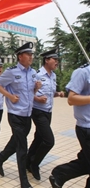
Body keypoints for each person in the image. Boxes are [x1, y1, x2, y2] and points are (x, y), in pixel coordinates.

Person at [0, 42, 41, 188]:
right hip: (15, 115)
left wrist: (36, 89)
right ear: (20, 57)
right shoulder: (11, 72)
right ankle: (24, 182)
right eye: (28, 54)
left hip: (27, 115)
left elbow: (29, 93)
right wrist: (10, 96)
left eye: (32, 54)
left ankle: (0, 158)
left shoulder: (33, 73)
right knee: (22, 147)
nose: (31, 57)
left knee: (16, 142)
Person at [49, 62, 90, 188]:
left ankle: (60, 174)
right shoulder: (83, 72)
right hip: (87, 127)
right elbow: (71, 99)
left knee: (86, 163)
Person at [26, 49, 64, 180]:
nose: (57, 62)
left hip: (48, 111)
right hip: (38, 111)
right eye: (55, 59)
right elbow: (28, 92)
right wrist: (37, 99)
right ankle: (34, 164)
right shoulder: (37, 75)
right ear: (47, 60)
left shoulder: (53, 75)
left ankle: (27, 161)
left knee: (39, 138)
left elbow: (49, 93)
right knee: (49, 141)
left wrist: (57, 94)